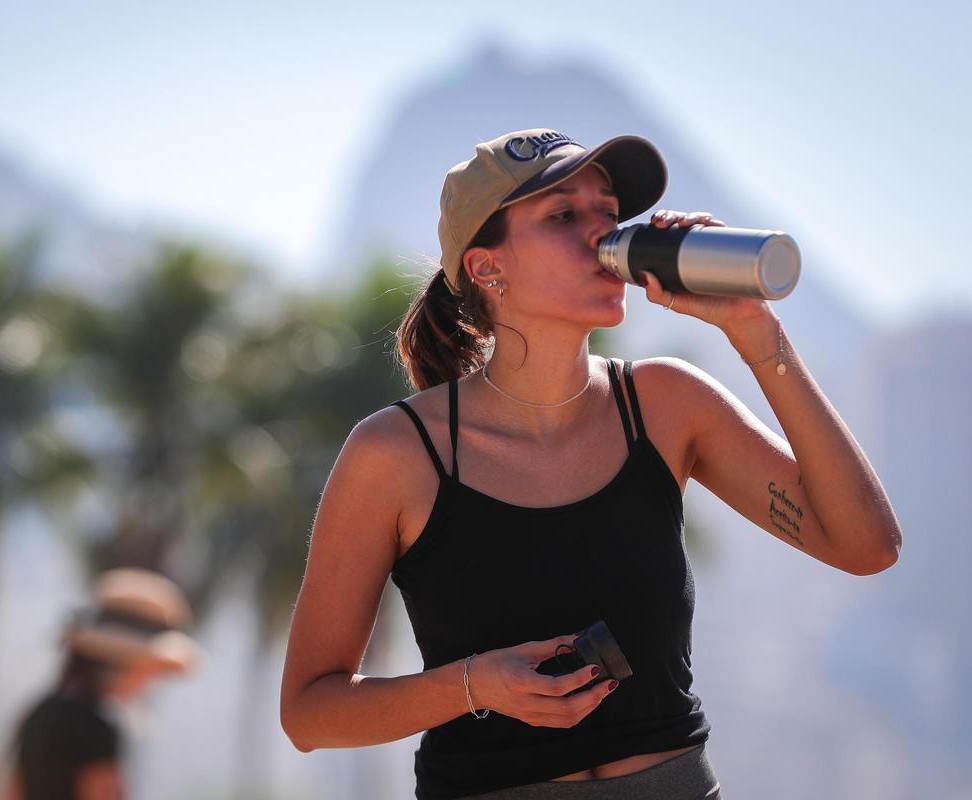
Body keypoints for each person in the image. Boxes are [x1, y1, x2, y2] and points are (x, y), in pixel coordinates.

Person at [279, 128, 902, 799]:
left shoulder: (667, 404)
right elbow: (310, 712)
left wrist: (757, 333)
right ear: (488, 268)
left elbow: (866, 546)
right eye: (564, 215)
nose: (602, 237)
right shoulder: (396, 454)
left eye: (608, 214)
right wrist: (474, 685)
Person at [6, 568, 200, 800]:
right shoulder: (97, 727)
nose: (150, 683)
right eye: (148, 671)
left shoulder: (39, 713)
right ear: (125, 664)